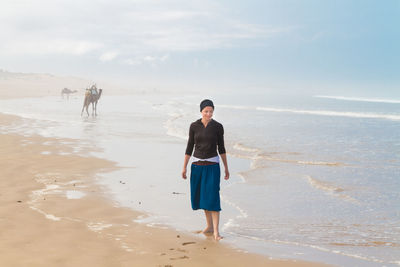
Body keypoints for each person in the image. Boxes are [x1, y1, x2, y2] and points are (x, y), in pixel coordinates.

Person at [182, 99, 230, 241]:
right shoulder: (194, 126)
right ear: (201, 111)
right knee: (202, 198)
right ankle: (209, 226)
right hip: (196, 166)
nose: (209, 114)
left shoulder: (218, 127)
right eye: (206, 111)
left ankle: (216, 231)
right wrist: (184, 167)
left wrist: (226, 167)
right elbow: (189, 147)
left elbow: (221, 148)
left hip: (212, 166)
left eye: (211, 111)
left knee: (213, 197)